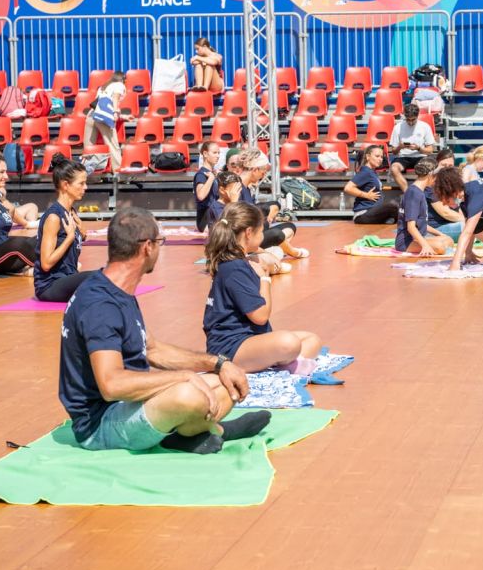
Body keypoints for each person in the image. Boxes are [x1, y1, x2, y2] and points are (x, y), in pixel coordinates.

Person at [59, 206, 268, 455]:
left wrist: (219, 363)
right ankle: (216, 430)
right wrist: (184, 376)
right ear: (147, 247)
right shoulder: (101, 305)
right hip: (101, 424)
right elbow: (111, 384)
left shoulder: (116, 287)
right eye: (160, 241)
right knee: (188, 395)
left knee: (225, 382)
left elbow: (152, 349)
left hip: (129, 404)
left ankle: (182, 434)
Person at [203, 201, 322, 373]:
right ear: (249, 233)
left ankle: (282, 364)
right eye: (261, 231)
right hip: (230, 348)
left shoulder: (237, 262)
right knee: (289, 343)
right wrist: (265, 279)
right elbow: (260, 316)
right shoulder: (235, 268)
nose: (262, 236)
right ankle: (284, 364)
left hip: (250, 339)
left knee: (312, 340)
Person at [34, 156, 93, 302]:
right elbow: (46, 264)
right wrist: (69, 238)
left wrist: (82, 235)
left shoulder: (71, 212)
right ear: (65, 185)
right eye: (81, 183)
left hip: (67, 278)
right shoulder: (54, 217)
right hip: (49, 286)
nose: (86, 187)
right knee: (100, 276)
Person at [236, 148, 308, 260]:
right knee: (277, 234)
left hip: (253, 233)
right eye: (263, 171)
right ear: (255, 169)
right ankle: (293, 252)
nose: (263, 174)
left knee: (289, 227)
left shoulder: (247, 187)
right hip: (244, 238)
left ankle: (270, 251)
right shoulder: (236, 187)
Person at [395, 158, 452, 256]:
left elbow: (422, 223)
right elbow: (411, 227)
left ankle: (430, 242)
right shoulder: (413, 193)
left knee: (449, 240)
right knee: (440, 247)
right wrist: (425, 245)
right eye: (436, 176)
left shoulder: (420, 192)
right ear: (430, 175)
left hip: (417, 238)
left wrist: (440, 234)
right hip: (406, 242)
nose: (436, 180)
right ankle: (426, 244)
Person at [344, 144, 399, 224]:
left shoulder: (372, 172)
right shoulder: (365, 172)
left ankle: (390, 221)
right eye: (377, 156)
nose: (380, 159)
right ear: (368, 157)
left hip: (373, 212)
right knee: (392, 207)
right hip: (363, 214)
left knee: (397, 204)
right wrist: (366, 195)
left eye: (381, 157)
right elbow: (348, 188)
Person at [86, 70, 127, 171]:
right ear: (123, 79)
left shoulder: (103, 86)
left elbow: (98, 102)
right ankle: (117, 172)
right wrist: (115, 112)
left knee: (89, 146)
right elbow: (115, 98)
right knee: (113, 145)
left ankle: (87, 171)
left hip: (91, 115)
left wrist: (122, 116)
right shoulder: (119, 85)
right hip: (104, 116)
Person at [390, 103, 436, 192]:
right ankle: (408, 193)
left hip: (420, 156)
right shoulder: (398, 127)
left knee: (425, 167)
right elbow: (394, 151)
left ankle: (418, 193)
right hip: (403, 157)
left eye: (413, 120)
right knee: (394, 168)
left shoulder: (425, 127)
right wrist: (400, 147)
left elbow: (430, 150)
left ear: (417, 116)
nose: (410, 122)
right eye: (408, 119)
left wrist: (419, 148)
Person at [194, 141, 222, 232]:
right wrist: (211, 179)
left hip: (215, 215)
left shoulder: (213, 173)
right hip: (206, 220)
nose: (218, 156)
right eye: (214, 153)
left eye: (218, 153)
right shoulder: (201, 174)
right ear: (205, 154)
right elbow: (201, 195)